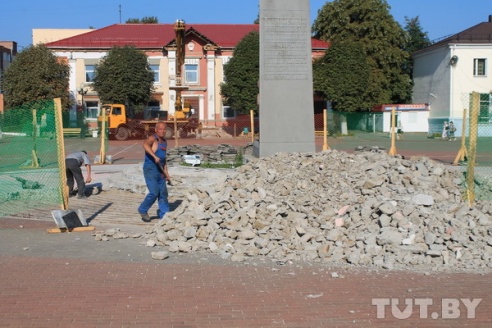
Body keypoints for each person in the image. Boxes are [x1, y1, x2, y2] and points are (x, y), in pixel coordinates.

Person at [138, 122, 171, 222]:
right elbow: (145, 144)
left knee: (163, 193)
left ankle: (165, 215)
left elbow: (164, 160)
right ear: (156, 130)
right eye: (160, 129)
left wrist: (167, 175)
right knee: (154, 192)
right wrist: (154, 156)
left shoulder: (164, 142)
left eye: (164, 129)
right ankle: (142, 209)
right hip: (150, 168)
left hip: (160, 169)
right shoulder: (153, 138)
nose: (162, 131)